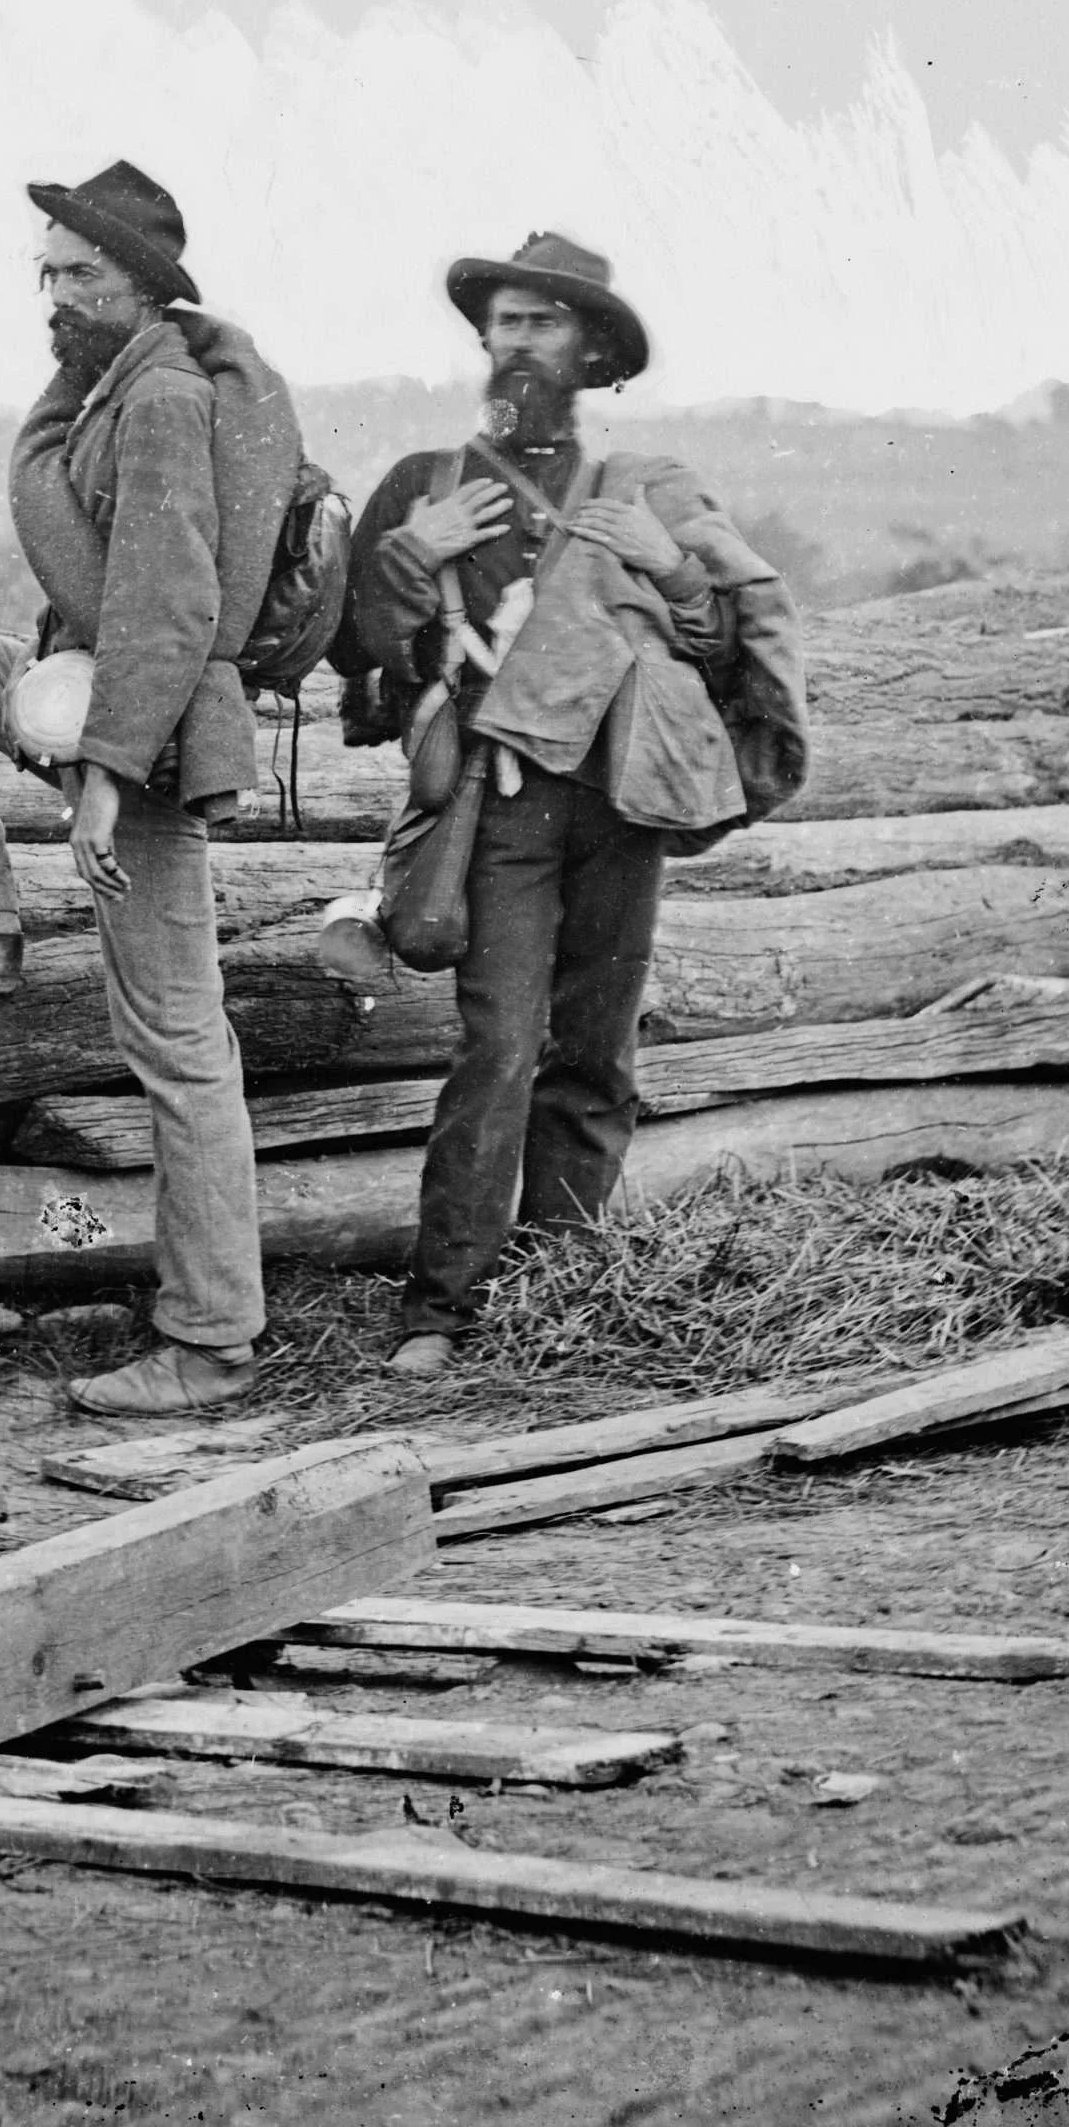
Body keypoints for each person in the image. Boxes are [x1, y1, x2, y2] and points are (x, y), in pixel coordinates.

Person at [0, 162, 297, 1416]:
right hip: (95, 689)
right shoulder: (101, 382)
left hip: (152, 732)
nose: (51, 294)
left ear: (144, 285)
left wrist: (103, 781)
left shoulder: (161, 396)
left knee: (176, 1040)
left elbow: (171, 604)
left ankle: (211, 1339)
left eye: (79, 275)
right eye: (44, 271)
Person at [344, 232, 808, 1374]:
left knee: (596, 1050)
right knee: (496, 1045)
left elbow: (711, 648)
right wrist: (406, 560)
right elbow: (363, 669)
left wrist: (677, 567)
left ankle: (566, 1286)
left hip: (619, 801)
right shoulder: (423, 485)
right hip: (495, 808)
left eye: (541, 322)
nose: (515, 342)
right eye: (501, 320)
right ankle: (440, 1307)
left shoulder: (646, 488)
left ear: (589, 348)